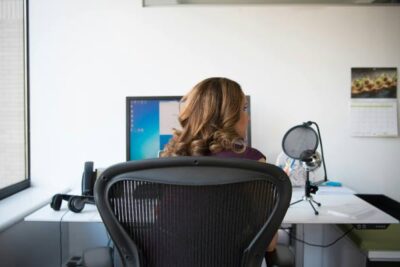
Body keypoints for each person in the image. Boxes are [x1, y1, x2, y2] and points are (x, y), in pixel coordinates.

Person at [160, 77, 278, 261]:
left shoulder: (169, 159)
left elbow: (163, 225)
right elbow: (269, 243)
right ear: (229, 116)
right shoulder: (252, 162)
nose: (248, 118)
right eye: (244, 109)